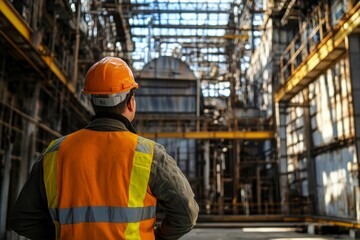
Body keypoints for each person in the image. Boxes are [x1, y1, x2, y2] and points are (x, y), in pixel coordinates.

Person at [10, 56, 199, 239]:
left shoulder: (54, 153)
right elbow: (186, 213)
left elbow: (23, 220)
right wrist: (157, 236)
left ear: (92, 102)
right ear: (131, 103)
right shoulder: (149, 155)